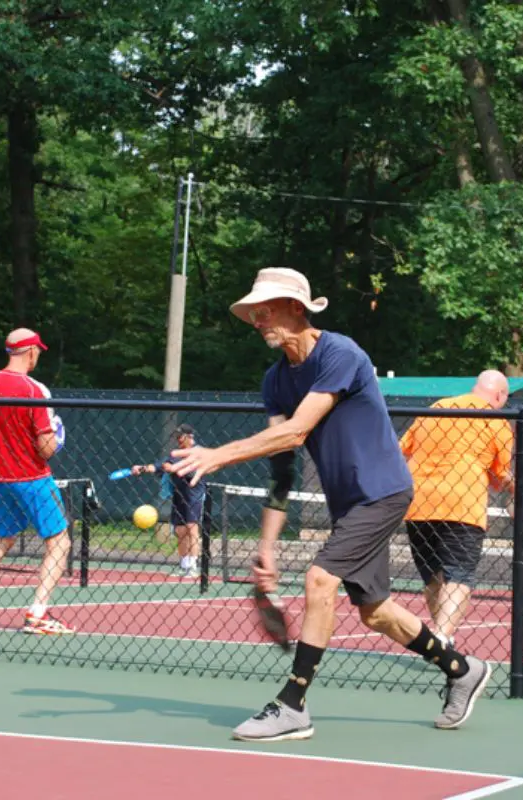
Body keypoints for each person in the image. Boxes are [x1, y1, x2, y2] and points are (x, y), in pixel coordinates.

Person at [165, 267, 491, 742]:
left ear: (297, 308)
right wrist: (267, 549)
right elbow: (283, 467)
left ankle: (293, 703)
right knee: (375, 611)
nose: (257, 320)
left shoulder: (340, 353)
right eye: (252, 313)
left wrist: (218, 455)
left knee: (320, 580)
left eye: (266, 310)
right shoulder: (275, 382)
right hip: (347, 505)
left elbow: (298, 429)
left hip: (382, 491)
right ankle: (463, 670)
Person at [0, 328, 74, 636]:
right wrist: (57, 438)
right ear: (30, 351)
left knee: (0, 540)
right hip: (32, 477)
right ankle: (37, 613)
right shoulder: (34, 391)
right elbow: (45, 449)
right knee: (60, 541)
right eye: (38, 352)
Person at [399, 371, 514, 647]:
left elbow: (400, 450)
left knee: (432, 575)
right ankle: (441, 637)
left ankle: (442, 637)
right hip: (463, 504)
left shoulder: (436, 409)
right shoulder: (496, 421)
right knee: (459, 573)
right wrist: (513, 485)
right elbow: (499, 479)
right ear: (499, 396)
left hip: (419, 503)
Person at [129, 423, 207, 578]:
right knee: (180, 530)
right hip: (179, 494)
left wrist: (173, 468)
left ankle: (193, 565)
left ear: (189, 437)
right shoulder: (175, 454)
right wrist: (142, 468)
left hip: (194, 494)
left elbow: (188, 470)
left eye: (180, 436)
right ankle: (184, 565)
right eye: (176, 436)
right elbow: (158, 466)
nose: (177, 439)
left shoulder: (198, 451)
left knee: (192, 528)